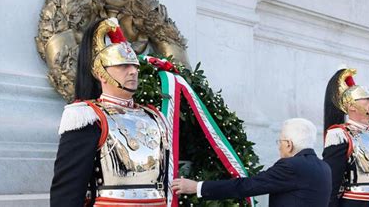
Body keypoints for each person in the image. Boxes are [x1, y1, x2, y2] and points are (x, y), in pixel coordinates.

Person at [50, 18, 169, 207]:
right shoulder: (87, 116)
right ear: (100, 72)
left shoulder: (153, 117)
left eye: (134, 66)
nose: (132, 72)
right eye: (123, 66)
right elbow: (68, 191)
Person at [171, 118, 332, 207]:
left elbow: (246, 186)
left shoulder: (290, 166)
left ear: (289, 144)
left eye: (280, 142)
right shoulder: (324, 167)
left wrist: (197, 187)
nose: (279, 147)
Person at [322, 68, 369, 207]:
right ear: (352, 106)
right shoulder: (339, 134)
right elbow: (332, 181)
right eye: (367, 98)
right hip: (355, 202)